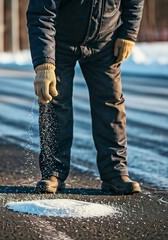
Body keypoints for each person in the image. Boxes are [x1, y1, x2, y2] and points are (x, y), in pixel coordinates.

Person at [26, 0, 144, 194]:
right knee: (54, 101)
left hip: (105, 41)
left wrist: (129, 33)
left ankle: (115, 173)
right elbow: (41, 14)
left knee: (111, 104)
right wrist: (44, 65)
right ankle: (53, 172)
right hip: (60, 42)